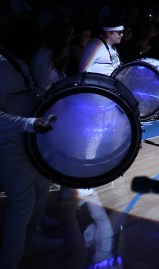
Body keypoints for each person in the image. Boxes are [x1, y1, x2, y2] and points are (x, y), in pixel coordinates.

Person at [0, 13, 63, 269]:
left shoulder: (16, 61)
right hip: (10, 144)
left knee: (40, 186)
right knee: (22, 203)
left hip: (27, 141)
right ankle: (9, 261)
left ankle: (31, 237)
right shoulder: (3, 65)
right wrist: (29, 123)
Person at [30, 19, 95, 200]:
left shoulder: (49, 54)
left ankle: (66, 188)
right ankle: (69, 188)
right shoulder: (47, 55)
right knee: (67, 147)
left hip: (52, 109)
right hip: (49, 111)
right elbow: (45, 86)